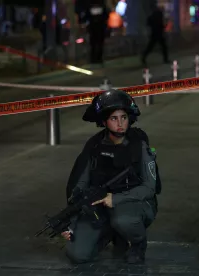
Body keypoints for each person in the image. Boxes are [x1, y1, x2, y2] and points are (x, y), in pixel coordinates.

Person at [62, 89, 161, 264]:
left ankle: (138, 244)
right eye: (114, 118)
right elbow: (81, 183)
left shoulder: (139, 145)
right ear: (104, 121)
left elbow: (149, 188)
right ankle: (108, 234)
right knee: (78, 254)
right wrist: (72, 220)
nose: (120, 123)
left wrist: (115, 199)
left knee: (124, 220)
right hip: (99, 207)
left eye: (123, 117)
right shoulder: (95, 146)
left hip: (133, 204)